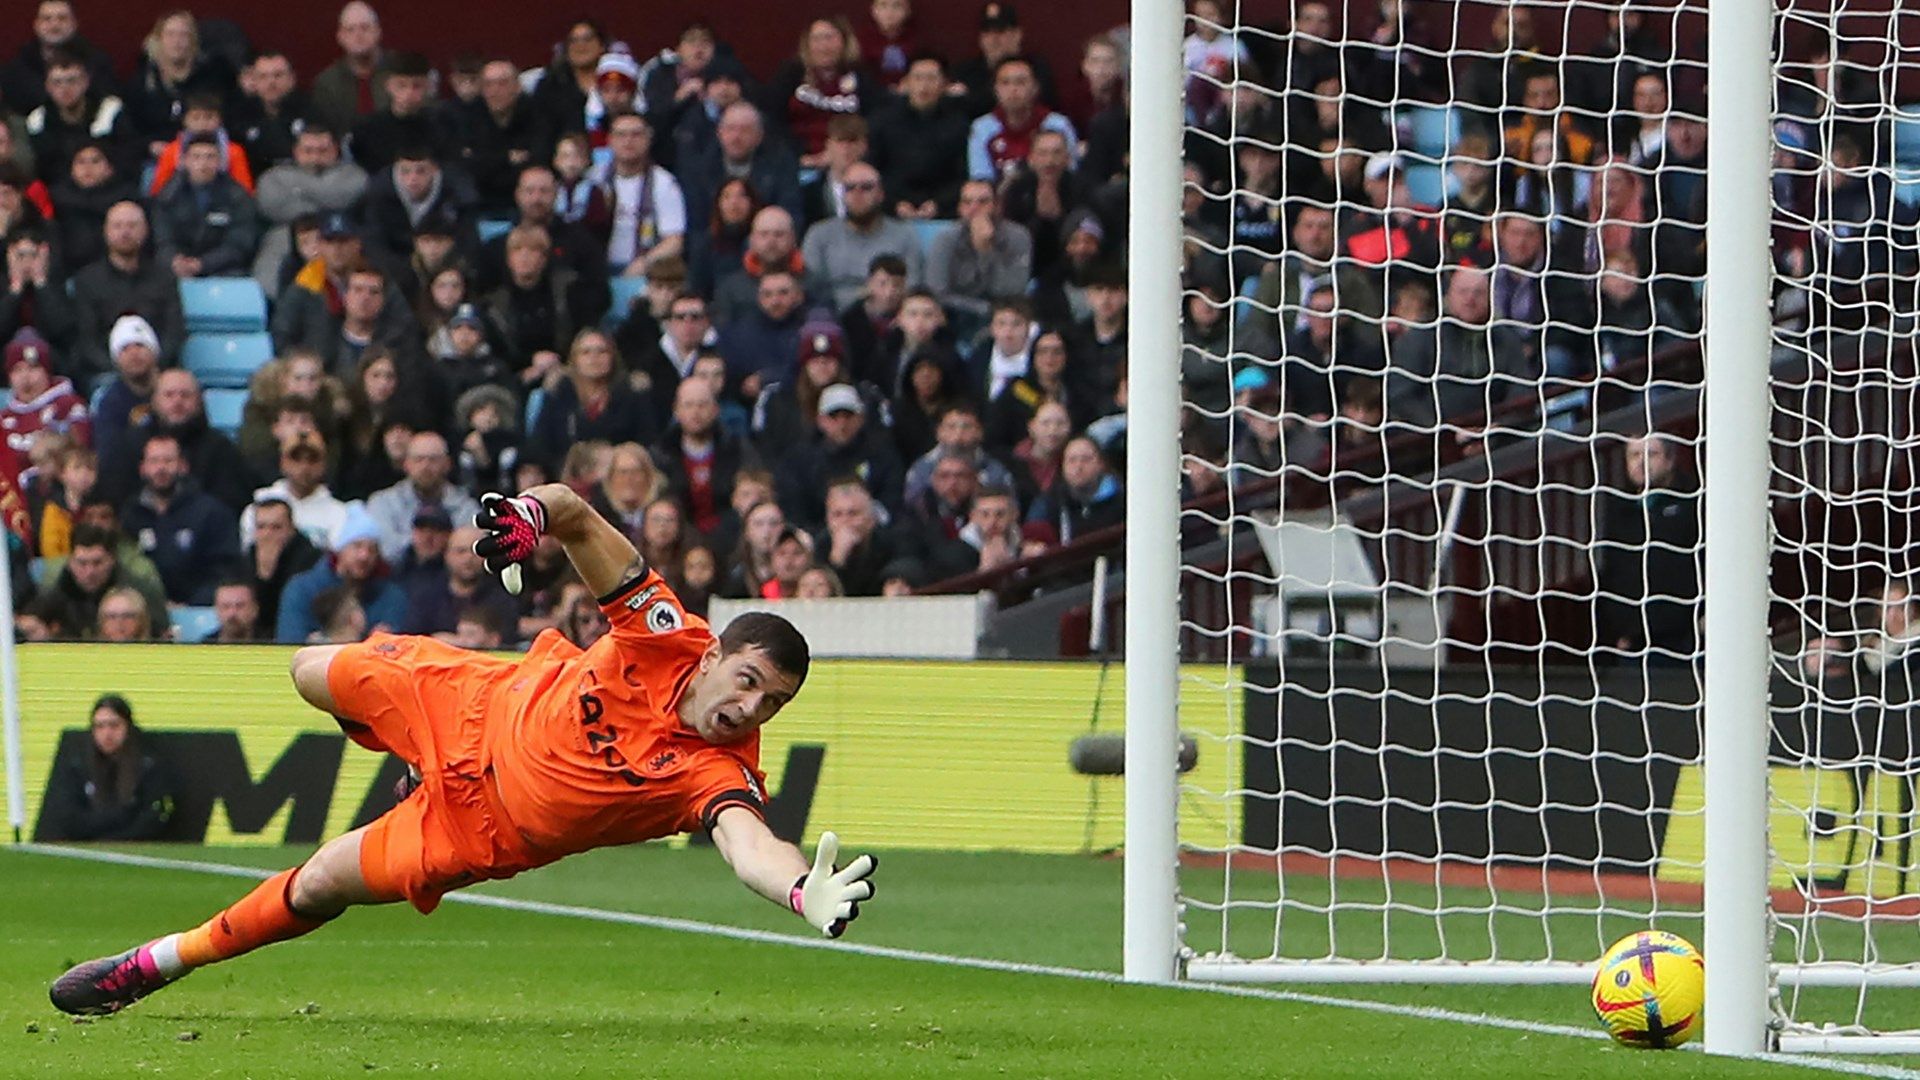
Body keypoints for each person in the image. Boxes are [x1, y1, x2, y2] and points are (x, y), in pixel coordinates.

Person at [52, 483, 879, 1016]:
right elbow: (576, 513)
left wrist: (802, 891)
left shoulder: (720, 770)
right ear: (711, 656)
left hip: (474, 829)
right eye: (746, 681)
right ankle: (406, 749)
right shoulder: (665, 630)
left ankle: (152, 965)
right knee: (308, 671)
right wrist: (526, 516)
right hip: (471, 703)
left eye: (771, 702)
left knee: (316, 888)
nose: (748, 706)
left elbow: (748, 847)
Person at [68, 201, 186, 384]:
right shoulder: (87, 281)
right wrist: (122, 369)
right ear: (106, 231)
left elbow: (173, 332)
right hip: (107, 373)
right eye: (117, 226)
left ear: (145, 230)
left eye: (132, 225)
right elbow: (86, 340)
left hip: (157, 373)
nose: (125, 232)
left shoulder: (164, 278)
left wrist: (150, 366)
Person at [120, 432, 240, 604]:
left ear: (183, 466)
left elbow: (224, 570)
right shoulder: (130, 513)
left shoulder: (211, 512)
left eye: (168, 461)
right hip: (144, 612)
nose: (161, 468)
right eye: (154, 461)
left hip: (197, 610)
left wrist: (191, 604)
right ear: (143, 468)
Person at [36, 695, 175, 842]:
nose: (107, 734)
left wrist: (116, 838)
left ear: (128, 727)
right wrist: (122, 816)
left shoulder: (148, 766)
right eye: (100, 726)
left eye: (114, 725)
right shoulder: (78, 766)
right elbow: (68, 816)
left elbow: (152, 819)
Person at [800, 162, 924, 309]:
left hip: (889, 317)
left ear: (880, 194)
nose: (857, 194)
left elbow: (912, 287)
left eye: (866, 187)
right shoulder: (819, 234)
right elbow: (811, 289)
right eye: (850, 188)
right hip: (831, 318)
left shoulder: (904, 235)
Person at [869, 52, 970, 220]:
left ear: (945, 84)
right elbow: (873, 168)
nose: (924, 86)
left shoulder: (959, 124)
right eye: (918, 78)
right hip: (891, 210)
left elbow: (962, 175)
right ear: (906, 83)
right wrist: (894, 203)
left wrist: (939, 204)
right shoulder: (882, 122)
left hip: (943, 211)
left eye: (931, 78)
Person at [151, 134, 261, 279]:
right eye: (196, 157)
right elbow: (162, 239)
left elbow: (240, 244)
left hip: (225, 271)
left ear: (220, 161)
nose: (203, 163)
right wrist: (175, 261)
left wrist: (202, 264)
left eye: (210, 157)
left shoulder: (238, 196)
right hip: (175, 270)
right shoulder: (167, 196)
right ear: (184, 161)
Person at [365, 431, 481, 564]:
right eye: (418, 459)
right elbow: (386, 551)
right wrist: (441, 543)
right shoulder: (382, 503)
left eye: (433, 460)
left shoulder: (466, 507)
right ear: (406, 464)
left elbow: (472, 552)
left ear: (447, 464)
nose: (425, 467)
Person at [309, 2, 390, 137]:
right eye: (350, 30)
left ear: (378, 32)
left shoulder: (400, 73)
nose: (358, 35)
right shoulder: (327, 83)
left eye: (364, 28)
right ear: (340, 37)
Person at [206, 577, 265, 642]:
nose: (232, 613)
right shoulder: (203, 647)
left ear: (254, 610)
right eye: (226, 606)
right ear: (216, 610)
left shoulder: (272, 645)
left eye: (240, 606)